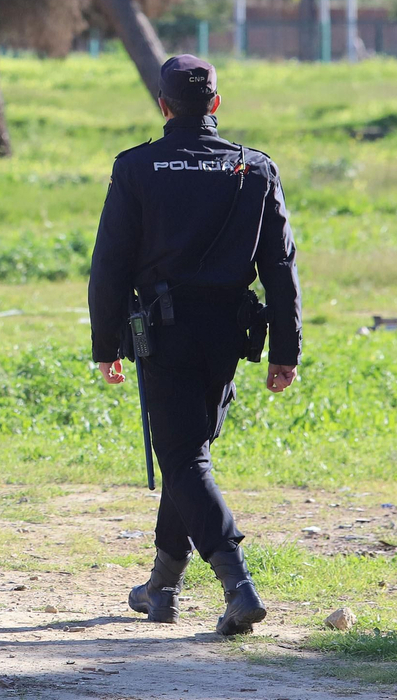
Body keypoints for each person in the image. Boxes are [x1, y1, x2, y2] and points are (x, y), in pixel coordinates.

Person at [87, 54, 301, 637]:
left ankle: (238, 586)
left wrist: (106, 342)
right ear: (216, 103)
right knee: (189, 455)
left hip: (162, 333)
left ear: (162, 105)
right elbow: (279, 266)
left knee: (183, 458)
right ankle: (162, 586)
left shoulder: (136, 168)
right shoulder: (253, 169)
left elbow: (110, 264)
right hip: (229, 335)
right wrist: (286, 348)